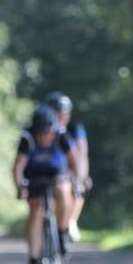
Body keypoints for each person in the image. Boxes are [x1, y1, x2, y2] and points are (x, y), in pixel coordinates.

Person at [13, 103, 81, 264]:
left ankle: (62, 231)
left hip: (57, 172)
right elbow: (19, 166)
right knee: (36, 211)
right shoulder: (27, 138)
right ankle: (34, 261)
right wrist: (20, 187)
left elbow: (74, 161)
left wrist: (76, 180)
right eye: (41, 133)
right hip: (34, 175)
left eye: (48, 132)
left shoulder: (61, 135)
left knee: (63, 189)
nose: (45, 137)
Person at [44, 90, 90, 241]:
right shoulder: (43, 126)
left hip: (69, 167)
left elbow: (81, 154)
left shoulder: (75, 127)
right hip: (48, 168)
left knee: (78, 188)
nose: (62, 117)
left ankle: (71, 221)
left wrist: (81, 176)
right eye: (58, 113)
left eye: (65, 113)